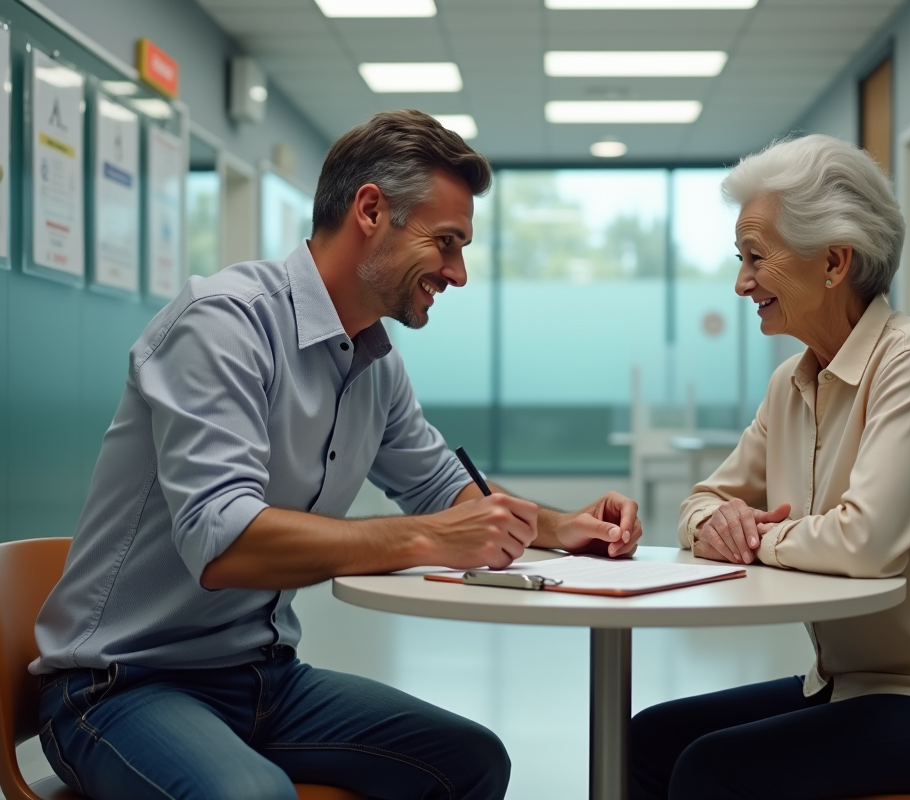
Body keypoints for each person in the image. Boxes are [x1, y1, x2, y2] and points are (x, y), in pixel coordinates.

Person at [32, 109, 642, 800]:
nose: (459, 272)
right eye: (446, 242)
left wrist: (561, 526)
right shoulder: (223, 325)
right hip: (121, 686)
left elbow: (441, 485)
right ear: (372, 210)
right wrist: (428, 538)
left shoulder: (375, 361)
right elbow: (223, 542)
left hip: (264, 680)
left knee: (471, 761)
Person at [629, 134, 910, 800]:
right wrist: (719, 519)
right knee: (649, 740)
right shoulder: (793, 381)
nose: (741, 283)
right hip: (848, 685)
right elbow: (699, 502)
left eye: (756, 259)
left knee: (711, 772)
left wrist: (753, 536)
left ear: (834, 262)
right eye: (740, 259)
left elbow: (864, 543)